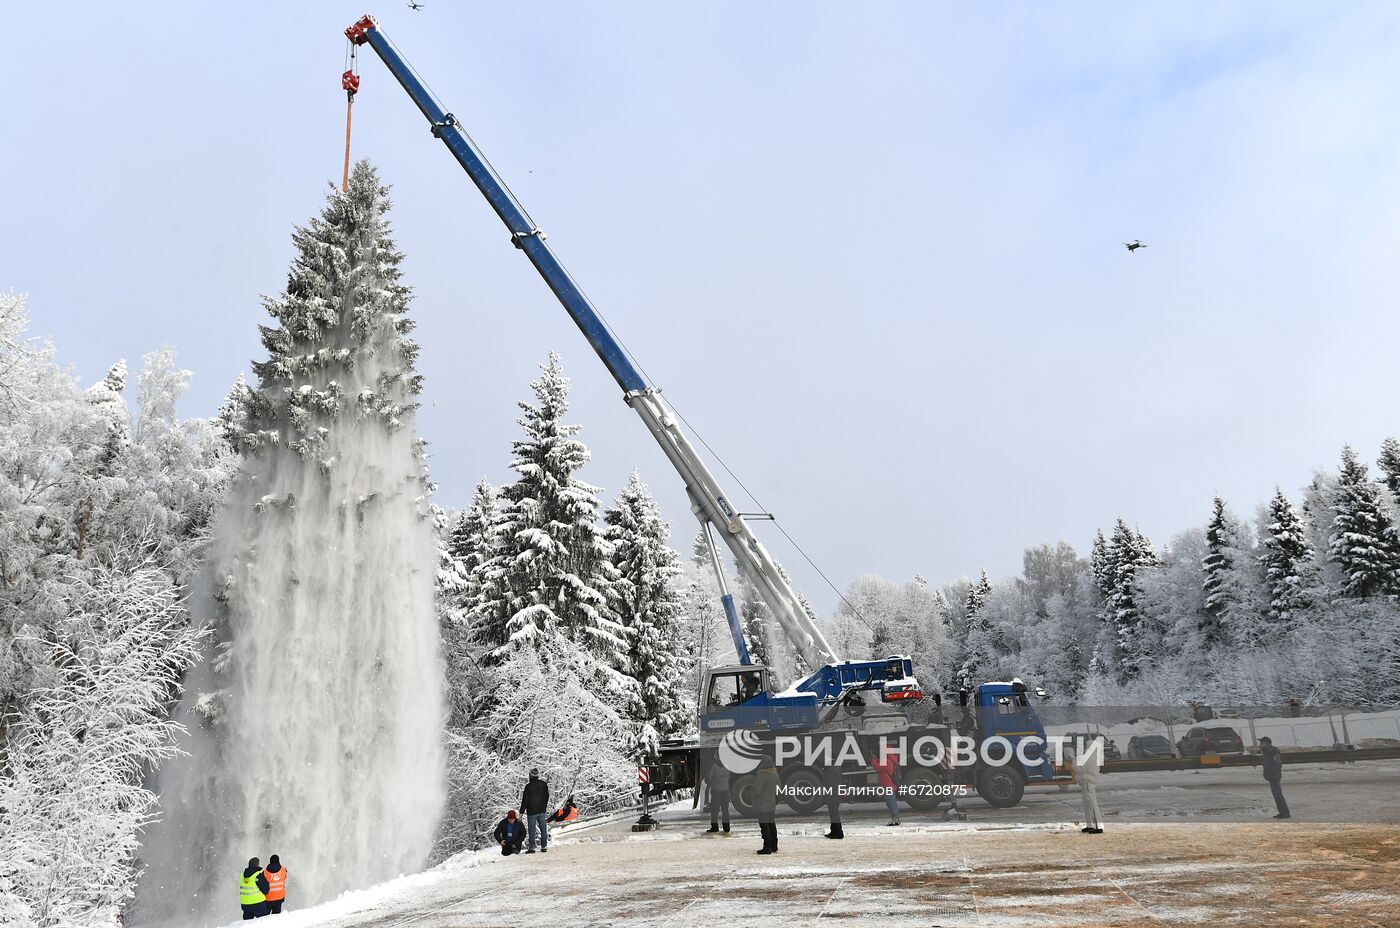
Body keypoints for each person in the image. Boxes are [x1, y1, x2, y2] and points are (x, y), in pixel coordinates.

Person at [1072, 735, 1104, 834]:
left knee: (1092, 805)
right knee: (1086, 806)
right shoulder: (1092, 756)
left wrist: (1073, 759)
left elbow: (1079, 768)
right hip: (1086, 784)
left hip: (1089, 784)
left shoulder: (1091, 758)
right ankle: (1090, 825)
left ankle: (1098, 827)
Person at [752, 751, 780, 855]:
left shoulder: (761, 775)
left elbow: (757, 791)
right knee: (772, 824)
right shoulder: (775, 774)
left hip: (762, 805)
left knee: (765, 826)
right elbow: (779, 789)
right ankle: (774, 846)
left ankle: (767, 847)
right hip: (771, 805)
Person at [520, 767, 551, 853]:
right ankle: (544, 846)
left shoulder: (528, 786)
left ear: (530, 775)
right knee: (543, 828)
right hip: (542, 810)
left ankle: (532, 848)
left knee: (532, 829)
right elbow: (547, 796)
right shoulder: (544, 784)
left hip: (532, 811)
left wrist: (521, 811)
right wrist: (544, 806)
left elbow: (525, 800)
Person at [869, 747, 901, 826]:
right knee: (890, 801)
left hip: (888, 785)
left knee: (891, 802)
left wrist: (873, 758)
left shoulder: (887, 761)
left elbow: (877, 767)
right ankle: (895, 818)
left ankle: (895, 818)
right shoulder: (890, 759)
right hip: (888, 785)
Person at [1260, 736, 1290, 819]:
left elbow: (1277, 764)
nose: (1260, 744)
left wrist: (1273, 774)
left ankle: (1285, 813)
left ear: (1267, 743)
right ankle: (1282, 812)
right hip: (1271, 776)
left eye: (1262, 742)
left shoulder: (1272, 751)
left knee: (1278, 795)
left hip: (1274, 776)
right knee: (1276, 795)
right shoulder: (1267, 751)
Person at [705, 757, 732, 834]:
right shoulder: (727, 767)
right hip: (725, 792)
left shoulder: (714, 767)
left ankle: (715, 827)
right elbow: (729, 778)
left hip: (716, 792)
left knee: (714, 811)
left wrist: (708, 788)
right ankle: (726, 828)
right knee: (725, 810)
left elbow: (709, 779)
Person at [822, 751, 844, 840]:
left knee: (834, 814)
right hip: (836, 793)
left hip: (832, 794)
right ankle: (835, 832)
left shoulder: (830, 769)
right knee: (834, 813)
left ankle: (837, 833)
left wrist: (827, 796)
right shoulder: (836, 767)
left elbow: (830, 784)